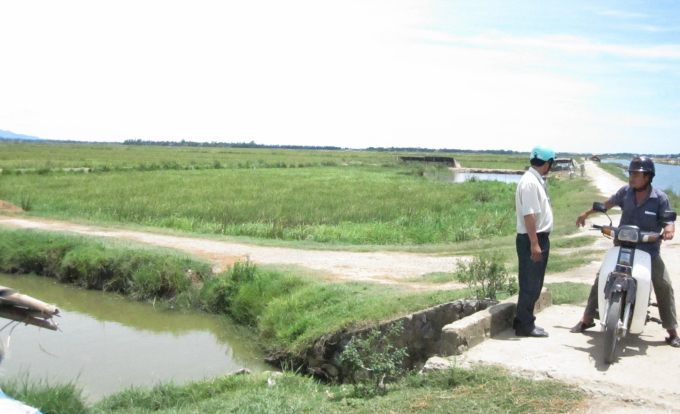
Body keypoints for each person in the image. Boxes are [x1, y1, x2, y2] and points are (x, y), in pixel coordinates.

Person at [570, 156, 679, 348]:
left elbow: (668, 220)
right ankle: (587, 318)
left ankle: (671, 331)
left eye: (636, 174)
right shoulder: (625, 192)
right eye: (630, 173)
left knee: (663, 284)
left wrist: (669, 229)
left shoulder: (659, 198)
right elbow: (608, 204)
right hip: (623, 246)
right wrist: (587, 212)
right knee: (601, 277)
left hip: (648, 250)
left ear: (647, 176)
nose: (631, 177)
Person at [513, 145, 555, 337]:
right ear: (547, 164)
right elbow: (529, 215)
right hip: (533, 239)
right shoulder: (530, 182)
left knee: (534, 283)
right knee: (530, 284)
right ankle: (525, 325)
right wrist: (534, 243)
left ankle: (524, 321)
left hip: (537, 238)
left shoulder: (534, 180)